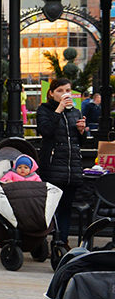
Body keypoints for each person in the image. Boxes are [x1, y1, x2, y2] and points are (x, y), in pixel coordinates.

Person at [37, 77, 86, 246]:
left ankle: (61, 242)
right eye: (60, 91)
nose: (65, 94)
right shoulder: (44, 110)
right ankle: (41, 241)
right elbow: (46, 131)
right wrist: (58, 110)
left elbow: (79, 142)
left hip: (71, 166)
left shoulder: (75, 112)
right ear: (51, 93)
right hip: (52, 166)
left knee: (66, 206)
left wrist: (81, 131)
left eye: (68, 90)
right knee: (49, 207)